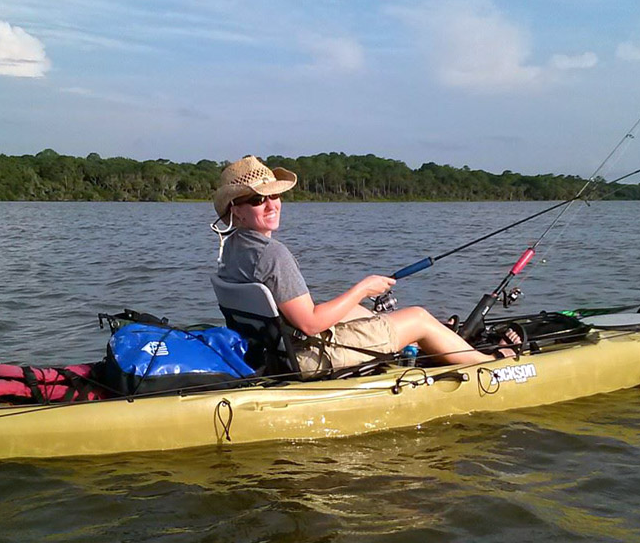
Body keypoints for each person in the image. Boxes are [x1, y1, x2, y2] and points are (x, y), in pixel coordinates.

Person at [212, 155, 517, 379]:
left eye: (275, 195)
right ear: (235, 210)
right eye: (256, 200)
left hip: (275, 351)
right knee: (419, 318)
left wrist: (358, 302)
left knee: (367, 314)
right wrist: (363, 288)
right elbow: (310, 324)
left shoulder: (231, 250)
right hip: (305, 358)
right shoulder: (272, 254)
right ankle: (488, 363)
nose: (271, 205)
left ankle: (436, 341)